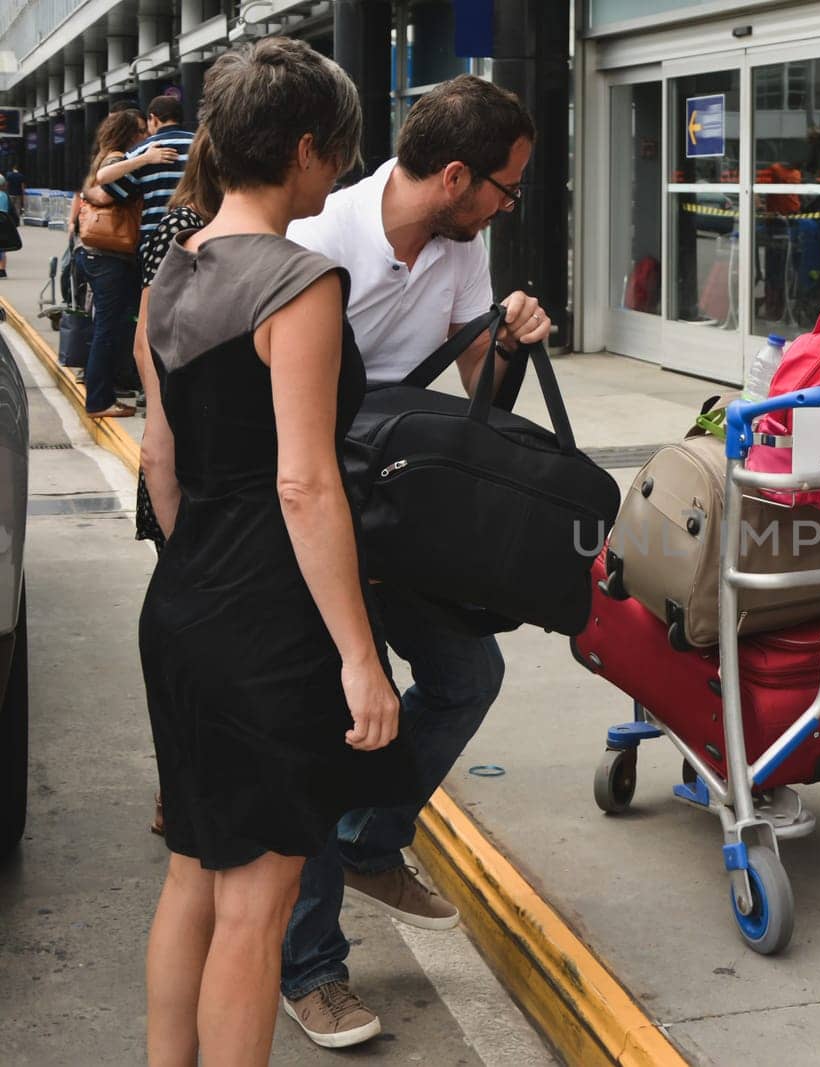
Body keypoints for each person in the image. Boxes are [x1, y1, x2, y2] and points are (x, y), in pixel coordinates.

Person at [138, 38, 414, 1065]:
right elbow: (306, 481)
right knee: (259, 902)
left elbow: (160, 461)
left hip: (182, 601)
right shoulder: (299, 282)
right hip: (270, 614)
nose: (338, 171)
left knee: (192, 875)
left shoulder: (171, 268)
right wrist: (356, 653)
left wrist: (198, 577)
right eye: (335, 152)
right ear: (301, 147)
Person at [276, 73, 549, 1049]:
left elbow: (482, 393)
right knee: (332, 723)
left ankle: (371, 838)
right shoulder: (320, 239)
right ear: (455, 174)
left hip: (402, 499)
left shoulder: (456, 244)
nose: (510, 204)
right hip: (313, 503)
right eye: (506, 188)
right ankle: (309, 966)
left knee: (467, 670)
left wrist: (507, 341)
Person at [132, 126, 223, 838]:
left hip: (198, 456)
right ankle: (179, 789)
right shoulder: (187, 226)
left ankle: (191, 786)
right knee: (189, 634)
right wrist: (161, 431)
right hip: (187, 457)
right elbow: (149, 334)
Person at [76, 110, 176, 417]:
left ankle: (110, 388)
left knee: (113, 324)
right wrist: (145, 160)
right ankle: (99, 400)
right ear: (130, 133)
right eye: (141, 130)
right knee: (108, 326)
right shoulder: (117, 157)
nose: (147, 134)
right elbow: (101, 192)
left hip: (104, 254)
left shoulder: (113, 154)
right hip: (109, 254)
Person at [105, 93, 194, 257]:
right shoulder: (201, 144)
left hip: (154, 238)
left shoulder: (142, 151)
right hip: (196, 235)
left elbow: (113, 189)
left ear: (153, 119)